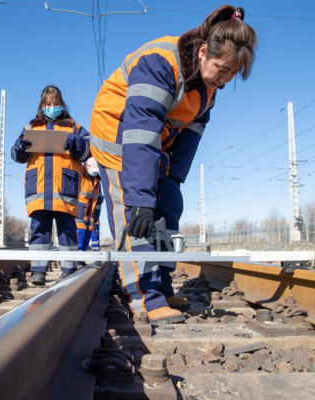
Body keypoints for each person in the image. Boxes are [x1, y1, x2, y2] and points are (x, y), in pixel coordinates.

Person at [89, 5, 257, 323]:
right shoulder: (160, 61)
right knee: (135, 217)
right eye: (221, 69)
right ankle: (144, 298)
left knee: (168, 209)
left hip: (157, 142)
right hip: (119, 137)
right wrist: (139, 199)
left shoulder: (209, 87)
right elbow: (140, 130)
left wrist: (174, 177)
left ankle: (162, 287)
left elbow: (192, 131)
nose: (224, 80)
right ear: (204, 51)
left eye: (232, 75)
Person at [12, 85, 90, 285]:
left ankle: (69, 268)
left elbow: (89, 151)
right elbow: (16, 156)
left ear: (61, 104)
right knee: (39, 229)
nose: (51, 107)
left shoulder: (75, 128)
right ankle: (38, 271)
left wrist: (74, 143)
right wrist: (20, 147)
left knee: (67, 229)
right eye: (48, 104)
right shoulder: (31, 128)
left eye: (55, 103)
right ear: (41, 106)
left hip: (64, 188)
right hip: (38, 188)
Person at [76, 158, 102, 251]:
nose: (94, 172)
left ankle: (81, 260)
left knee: (86, 240)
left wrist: (96, 217)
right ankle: (77, 261)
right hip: (79, 216)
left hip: (91, 217)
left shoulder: (97, 182)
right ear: (86, 166)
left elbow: (98, 200)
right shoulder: (80, 177)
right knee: (79, 238)